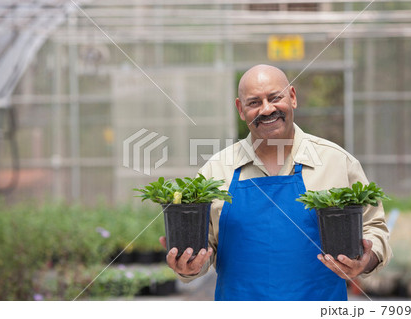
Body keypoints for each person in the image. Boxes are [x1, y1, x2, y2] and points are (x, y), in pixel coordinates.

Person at [159, 64, 392, 300]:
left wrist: (366, 259)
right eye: (254, 102)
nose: (267, 109)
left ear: (292, 97)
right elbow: (203, 245)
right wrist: (189, 266)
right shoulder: (217, 170)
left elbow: (374, 227)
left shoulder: (336, 162)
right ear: (241, 109)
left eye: (274, 98)